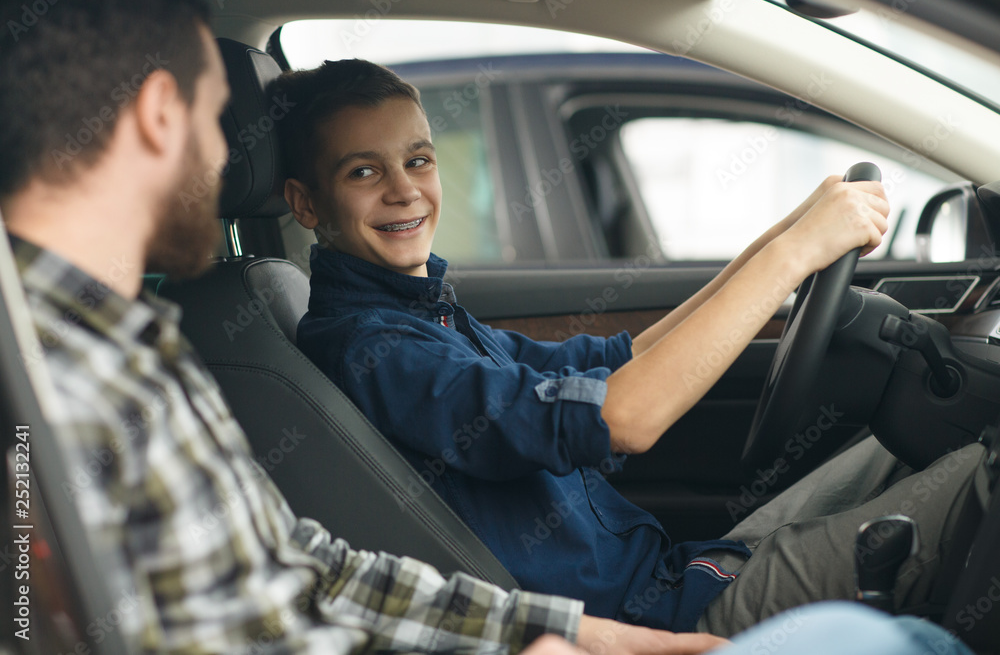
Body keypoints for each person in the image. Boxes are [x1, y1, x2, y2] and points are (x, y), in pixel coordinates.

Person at [0, 0, 733, 653]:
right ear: (162, 115)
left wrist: (576, 636)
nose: (226, 158)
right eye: (215, 118)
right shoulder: (48, 379)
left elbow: (311, 572)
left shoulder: (136, 348)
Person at [279, 60, 985, 636]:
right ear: (306, 204)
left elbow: (615, 362)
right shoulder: (379, 350)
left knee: (921, 436)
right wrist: (797, 253)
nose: (405, 190)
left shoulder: (424, 314)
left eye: (419, 159)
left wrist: (784, 238)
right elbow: (626, 416)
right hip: (662, 625)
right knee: (981, 483)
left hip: (684, 575)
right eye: (364, 172)